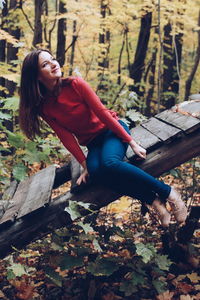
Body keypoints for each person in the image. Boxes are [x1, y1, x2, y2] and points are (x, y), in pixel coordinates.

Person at [19, 49, 187, 227]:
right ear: (37, 77)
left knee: (110, 164)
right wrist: (84, 165)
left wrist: (131, 142)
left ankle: (170, 194)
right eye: (45, 64)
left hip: (111, 131)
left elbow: (103, 113)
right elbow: (65, 136)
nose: (54, 64)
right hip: (93, 143)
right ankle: (154, 201)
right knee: (97, 173)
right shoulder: (44, 106)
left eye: (53, 59)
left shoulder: (76, 84)